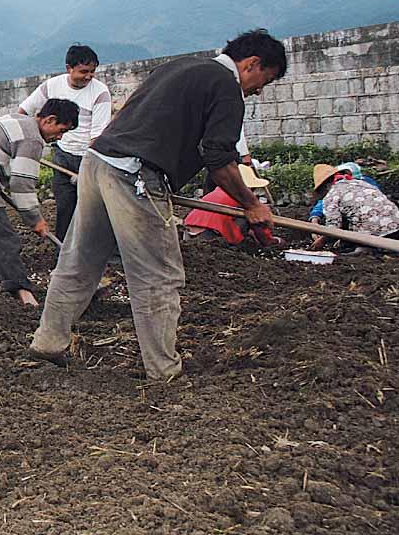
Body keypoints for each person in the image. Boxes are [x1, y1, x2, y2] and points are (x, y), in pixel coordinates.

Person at [29, 29, 288, 380]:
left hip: (98, 161)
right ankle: (163, 370)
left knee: (79, 261)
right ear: (252, 63)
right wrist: (251, 203)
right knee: (159, 276)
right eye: (264, 81)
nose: (258, 89)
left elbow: (132, 118)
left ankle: (48, 341)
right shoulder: (226, 86)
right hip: (135, 174)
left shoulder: (179, 67)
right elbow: (219, 157)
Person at [0, 99, 80, 307]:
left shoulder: (15, 119)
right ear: (49, 120)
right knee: (3, 240)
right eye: (61, 130)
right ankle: (25, 296)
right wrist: (35, 220)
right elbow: (21, 184)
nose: (59, 137)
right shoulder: (33, 139)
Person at [18, 45, 111, 241]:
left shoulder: (100, 92)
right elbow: (24, 112)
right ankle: (63, 251)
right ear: (69, 68)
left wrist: (88, 167)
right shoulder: (51, 86)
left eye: (92, 72)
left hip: (88, 154)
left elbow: (98, 136)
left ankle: (103, 251)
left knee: (94, 206)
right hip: (62, 154)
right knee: (65, 205)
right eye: (83, 71)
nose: (88, 76)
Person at [183, 165, 283, 247]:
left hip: (188, 231)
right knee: (250, 217)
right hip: (209, 234)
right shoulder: (244, 200)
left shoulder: (219, 191)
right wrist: (271, 241)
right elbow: (259, 227)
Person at [308, 163, 399, 251]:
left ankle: (365, 249)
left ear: (324, 187)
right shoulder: (360, 183)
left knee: (350, 248)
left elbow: (333, 228)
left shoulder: (331, 196)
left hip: (374, 234)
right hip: (397, 226)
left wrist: (322, 241)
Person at [309, 161, 382, 225]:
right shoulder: (360, 183)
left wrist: (322, 238)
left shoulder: (335, 191)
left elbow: (333, 226)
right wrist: (315, 216)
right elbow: (323, 202)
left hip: (371, 227)